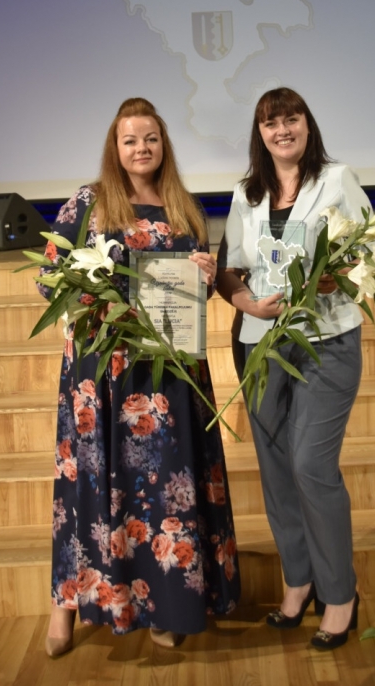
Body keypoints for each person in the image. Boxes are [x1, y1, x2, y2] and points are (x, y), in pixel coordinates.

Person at [40, 97, 240, 656]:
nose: (141, 148)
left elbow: (195, 292)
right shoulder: (88, 202)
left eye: (150, 138)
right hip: (102, 375)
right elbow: (48, 276)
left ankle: (165, 606)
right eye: (130, 140)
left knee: (163, 492)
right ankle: (66, 607)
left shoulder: (185, 207)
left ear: (163, 143)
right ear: (115, 146)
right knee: (88, 487)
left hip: (165, 370)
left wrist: (205, 276)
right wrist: (92, 297)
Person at [216, 86, 374, 652]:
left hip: (325, 341)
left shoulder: (336, 179)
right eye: (271, 123)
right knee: (278, 472)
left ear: (307, 124)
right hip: (260, 344)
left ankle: (340, 594)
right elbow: (230, 271)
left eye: (291, 119)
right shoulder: (246, 194)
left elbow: (369, 254)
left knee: (311, 466)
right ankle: (299, 580)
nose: (282, 130)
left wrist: (338, 277)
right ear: (260, 134)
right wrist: (247, 304)